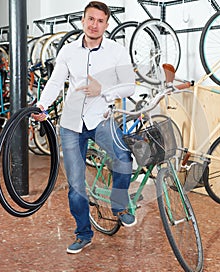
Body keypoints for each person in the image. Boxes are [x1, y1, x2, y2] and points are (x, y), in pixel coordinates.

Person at [33, 1, 136, 254]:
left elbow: (130, 86)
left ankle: (118, 204)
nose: (94, 25)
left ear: (106, 24)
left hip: (100, 118)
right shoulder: (68, 51)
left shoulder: (117, 51)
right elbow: (56, 81)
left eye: (100, 21)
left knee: (124, 159)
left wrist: (106, 91)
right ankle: (83, 233)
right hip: (71, 124)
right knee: (76, 184)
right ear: (83, 20)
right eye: (90, 19)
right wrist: (42, 106)